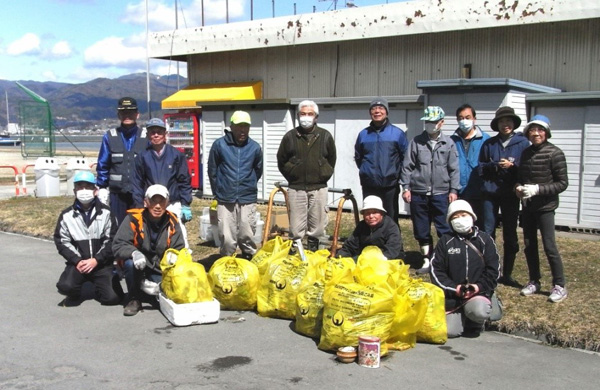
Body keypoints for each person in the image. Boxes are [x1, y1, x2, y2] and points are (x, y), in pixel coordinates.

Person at [515, 115, 568, 303]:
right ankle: (534, 281)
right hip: (528, 207)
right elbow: (521, 176)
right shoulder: (526, 153)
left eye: (540, 130)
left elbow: (562, 183)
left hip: (546, 207)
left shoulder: (555, 153)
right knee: (529, 246)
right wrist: (519, 188)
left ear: (546, 132)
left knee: (549, 246)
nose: (536, 133)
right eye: (532, 130)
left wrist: (538, 189)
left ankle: (560, 285)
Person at [400, 106, 460, 274]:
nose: (430, 125)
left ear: (441, 123)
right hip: (419, 192)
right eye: (427, 122)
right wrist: (406, 188)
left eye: (433, 122)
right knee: (421, 229)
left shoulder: (448, 144)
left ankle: (444, 259)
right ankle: (426, 259)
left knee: (444, 227)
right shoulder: (416, 142)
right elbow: (407, 167)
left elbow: (454, 169)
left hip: (441, 193)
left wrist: (453, 190)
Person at [430, 200, 500, 338]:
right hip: (453, 296)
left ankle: (476, 320)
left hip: (477, 293)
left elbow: (494, 270)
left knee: (479, 311)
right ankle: (462, 315)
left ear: (472, 216)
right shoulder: (445, 241)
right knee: (450, 332)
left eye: (463, 215)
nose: (459, 219)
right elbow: (436, 270)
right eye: (455, 217)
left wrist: (479, 286)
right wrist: (453, 288)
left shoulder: (485, 240)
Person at [112, 184, 186, 316]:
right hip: (139, 265)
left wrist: (173, 258)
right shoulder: (133, 219)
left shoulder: (173, 221)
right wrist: (134, 253)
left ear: (167, 203)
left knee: (165, 296)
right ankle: (134, 298)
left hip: (160, 268)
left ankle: (153, 289)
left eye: (161, 201)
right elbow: (118, 244)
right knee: (130, 263)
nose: (157, 206)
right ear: (146, 202)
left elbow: (179, 248)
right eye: (153, 201)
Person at [479, 106, 529, 287]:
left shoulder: (523, 143)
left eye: (508, 121)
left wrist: (512, 167)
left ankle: (507, 273)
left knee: (510, 233)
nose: (505, 124)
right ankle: (490, 270)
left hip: (510, 195)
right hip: (490, 193)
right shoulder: (489, 144)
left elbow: (526, 169)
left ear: (514, 124)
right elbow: (481, 168)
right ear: (497, 124)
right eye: (501, 121)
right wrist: (494, 166)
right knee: (487, 231)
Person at [277, 100, 337, 251]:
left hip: (318, 188)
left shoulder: (325, 136)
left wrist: (324, 174)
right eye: (303, 114)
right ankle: (296, 252)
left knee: (317, 225)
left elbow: (331, 159)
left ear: (316, 117)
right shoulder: (290, 136)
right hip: (296, 188)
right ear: (298, 116)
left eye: (310, 114)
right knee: (296, 226)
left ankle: (314, 250)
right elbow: (281, 159)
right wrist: (292, 173)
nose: (306, 117)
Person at [54, 171, 120, 307]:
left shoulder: (107, 213)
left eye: (88, 187)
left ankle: (99, 285)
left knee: (112, 298)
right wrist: (77, 260)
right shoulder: (66, 215)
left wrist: (96, 260)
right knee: (66, 287)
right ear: (74, 190)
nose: (84, 190)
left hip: (101, 264)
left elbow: (112, 239)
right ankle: (76, 290)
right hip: (79, 264)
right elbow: (61, 241)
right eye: (80, 187)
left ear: (95, 191)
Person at [208, 111, 263, 258]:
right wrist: (218, 191)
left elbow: (258, 170)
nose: (242, 130)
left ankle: (248, 257)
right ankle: (227, 258)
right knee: (226, 233)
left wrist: (247, 184)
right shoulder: (219, 145)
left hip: (247, 196)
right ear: (231, 126)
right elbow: (212, 170)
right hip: (225, 196)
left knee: (247, 230)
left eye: (246, 126)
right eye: (239, 126)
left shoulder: (255, 147)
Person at [132, 117, 193, 247]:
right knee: (151, 235)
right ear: (148, 135)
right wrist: (139, 205)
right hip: (151, 204)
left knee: (179, 234)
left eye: (159, 132)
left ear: (165, 134)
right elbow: (137, 183)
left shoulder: (176, 155)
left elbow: (184, 180)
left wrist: (185, 203)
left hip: (172, 202)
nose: (156, 135)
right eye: (152, 132)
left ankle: (183, 260)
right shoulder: (142, 157)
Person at [354, 97, 409, 223]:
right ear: (370, 113)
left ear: (387, 112)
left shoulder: (397, 133)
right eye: (374, 108)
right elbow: (359, 157)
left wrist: (395, 174)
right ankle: (371, 241)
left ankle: (392, 242)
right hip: (369, 185)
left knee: (390, 218)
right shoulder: (363, 134)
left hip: (390, 185)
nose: (377, 111)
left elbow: (405, 158)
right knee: (371, 217)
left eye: (381, 108)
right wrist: (367, 172)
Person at [96, 97, 148, 226]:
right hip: (117, 193)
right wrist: (102, 187)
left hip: (140, 192)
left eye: (131, 112)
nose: (127, 115)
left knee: (139, 226)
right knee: (117, 226)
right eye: (124, 112)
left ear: (137, 114)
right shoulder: (109, 136)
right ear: (119, 115)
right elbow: (103, 164)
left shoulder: (146, 136)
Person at [451, 104, 490, 226]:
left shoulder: (486, 139)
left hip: (480, 191)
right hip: (459, 191)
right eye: (461, 118)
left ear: (474, 119)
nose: (464, 121)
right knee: (460, 225)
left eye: (468, 117)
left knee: (481, 226)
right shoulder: (451, 141)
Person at [336, 195, 404, 260]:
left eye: (374, 212)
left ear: (381, 214)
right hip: (365, 258)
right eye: (367, 213)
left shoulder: (390, 226)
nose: (371, 216)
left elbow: (393, 248)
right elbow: (350, 246)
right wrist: (340, 257)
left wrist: (379, 260)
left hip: (387, 259)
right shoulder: (361, 226)